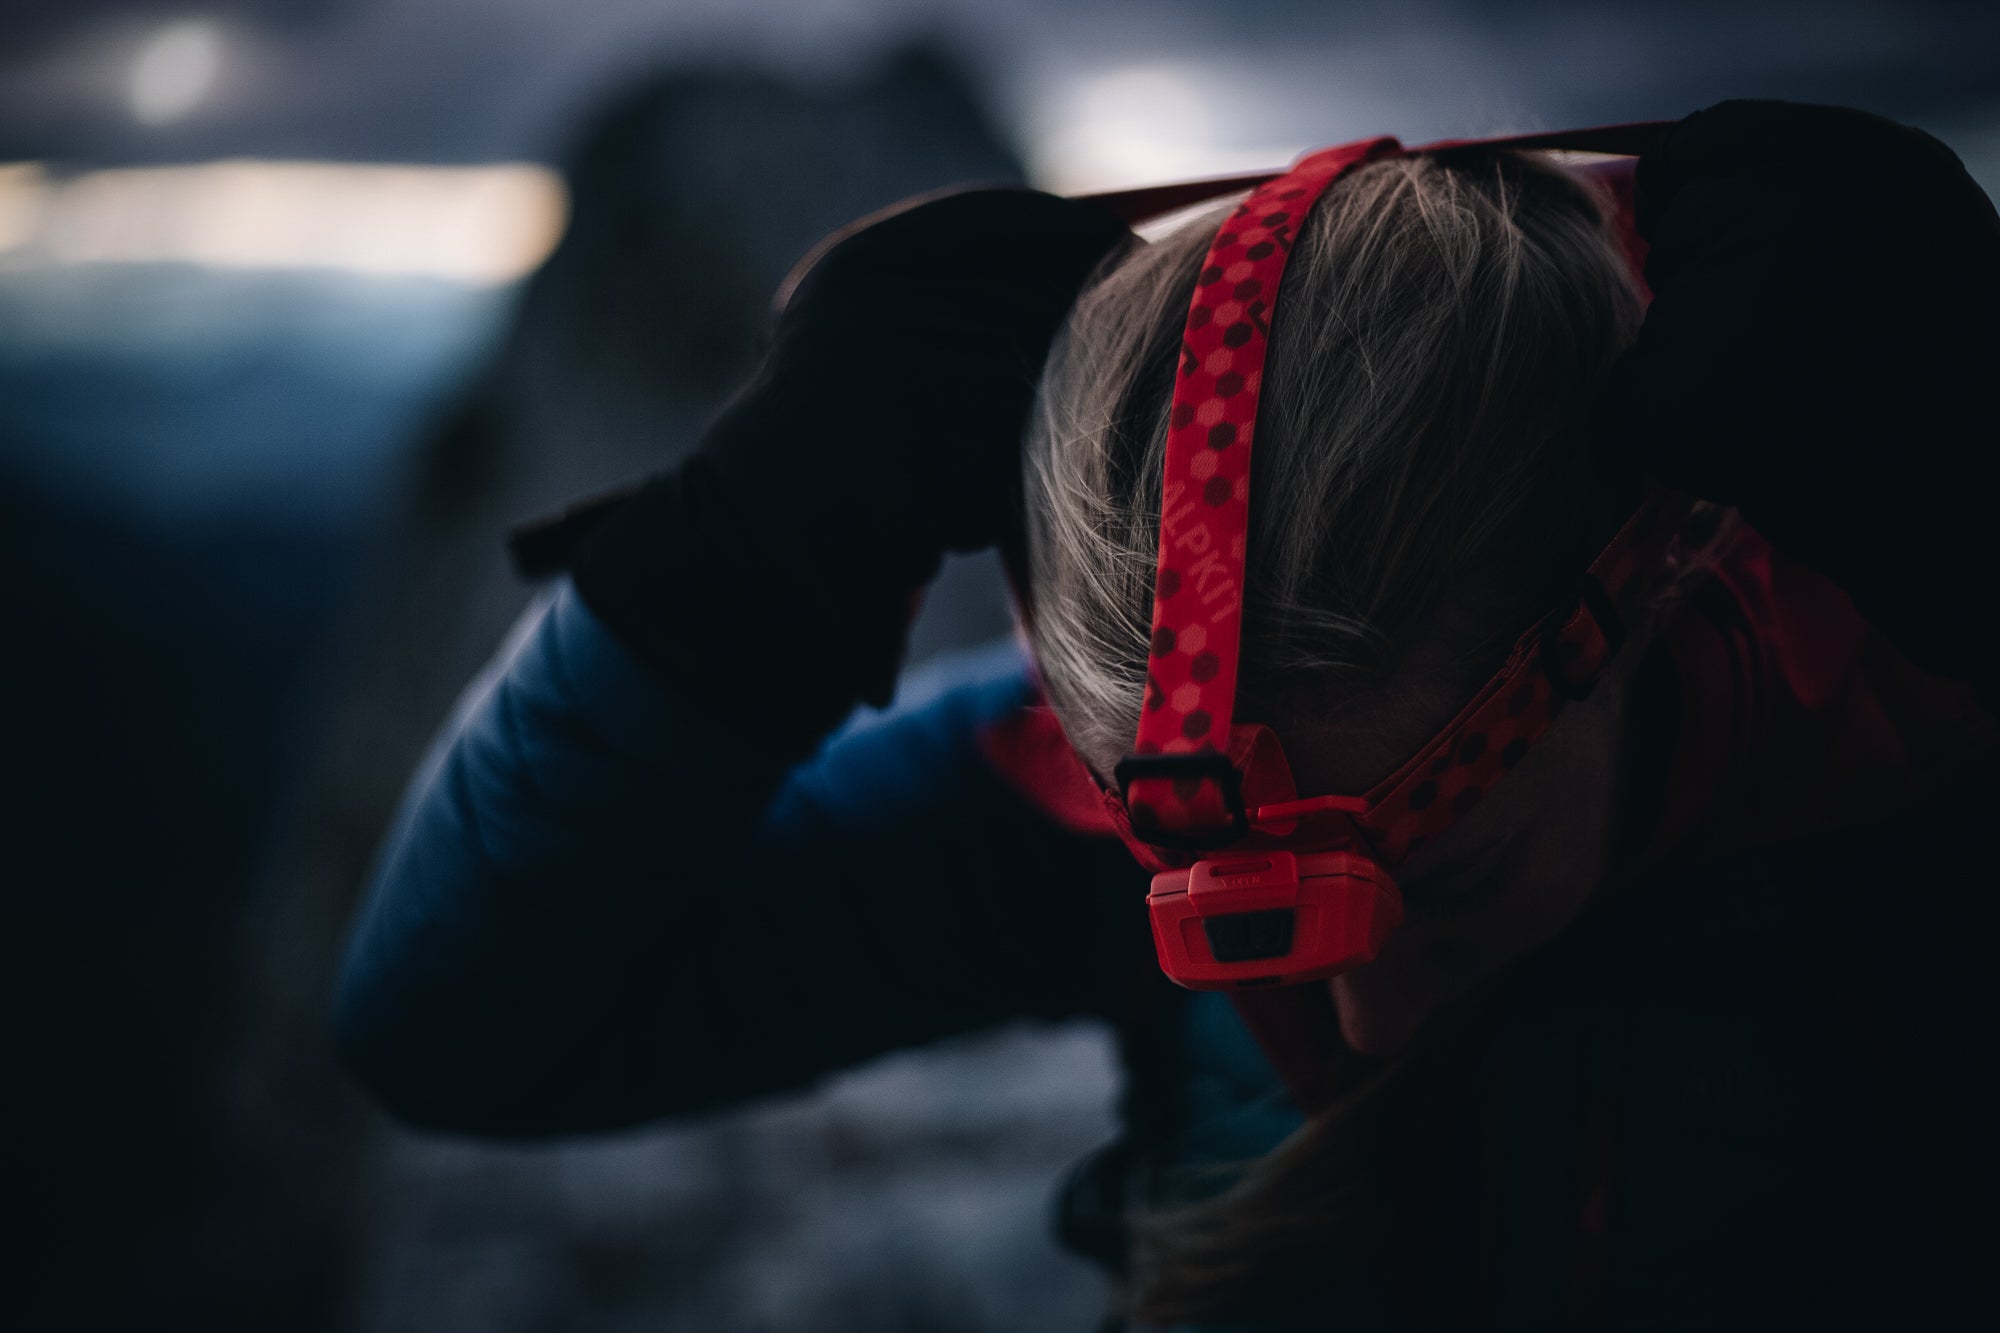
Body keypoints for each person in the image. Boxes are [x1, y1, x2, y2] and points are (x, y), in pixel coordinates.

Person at [335, 101, 1998, 1330]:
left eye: (1458, 875)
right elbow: (460, 1025)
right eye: (1224, 918)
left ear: (1669, 571)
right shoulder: (1106, 793)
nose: (1351, 1014)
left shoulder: (1921, 727)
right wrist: (719, 576)